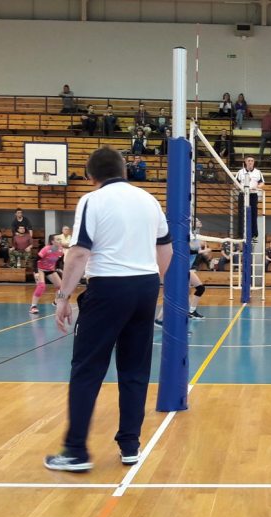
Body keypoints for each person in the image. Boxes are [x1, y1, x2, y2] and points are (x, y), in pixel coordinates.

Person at [44, 147, 171, 472]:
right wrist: (153, 282)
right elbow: (166, 249)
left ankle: (75, 451)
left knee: (87, 368)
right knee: (135, 369)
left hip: (108, 287)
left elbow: (78, 253)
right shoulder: (149, 200)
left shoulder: (93, 200)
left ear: (91, 177)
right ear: (124, 171)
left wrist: (63, 297)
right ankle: (130, 446)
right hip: (145, 286)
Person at [155, 219, 210, 324]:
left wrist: (203, 252)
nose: (199, 222)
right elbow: (188, 250)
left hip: (186, 268)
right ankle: (159, 319)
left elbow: (196, 251)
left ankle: (191, 312)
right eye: (197, 221)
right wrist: (202, 251)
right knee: (176, 294)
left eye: (199, 220)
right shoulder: (185, 234)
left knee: (199, 289)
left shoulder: (196, 237)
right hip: (178, 268)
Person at [30, 234, 65, 314]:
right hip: (40, 269)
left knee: (61, 287)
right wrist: (36, 272)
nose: (60, 241)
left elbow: (59, 261)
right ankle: (33, 306)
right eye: (58, 239)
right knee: (41, 286)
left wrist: (60, 269)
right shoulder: (46, 249)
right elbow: (35, 260)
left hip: (50, 270)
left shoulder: (60, 250)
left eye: (60, 239)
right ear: (52, 241)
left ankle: (56, 302)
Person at [235, 157, 264, 239]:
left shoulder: (258, 172)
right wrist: (241, 188)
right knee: (241, 213)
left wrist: (257, 187)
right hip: (243, 194)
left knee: (253, 213)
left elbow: (262, 183)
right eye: (248, 161)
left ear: (254, 162)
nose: (250, 162)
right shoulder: (240, 172)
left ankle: (254, 233)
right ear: (245, 162)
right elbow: (235, 182)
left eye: (252, 161)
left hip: (253, 195)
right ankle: (241, 234)